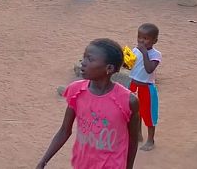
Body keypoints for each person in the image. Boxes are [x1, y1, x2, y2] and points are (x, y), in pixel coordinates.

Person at [36, 38, 140, 169]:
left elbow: (132, 140)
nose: (83, 63)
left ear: (109, 68)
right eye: (83, 57)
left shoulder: (128, 101)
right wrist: (43, 162)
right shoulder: (76, 91)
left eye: (90, 59)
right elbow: (64, 131)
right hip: (82, 164)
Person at [129, 23, 161, 152]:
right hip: (133, 85)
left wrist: (144, 53)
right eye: (139, 37)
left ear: (155, 41)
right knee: (135, 113)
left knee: (148, 114)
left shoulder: (156, 55)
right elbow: (129, 67)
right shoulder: (135, 50)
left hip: (146, 88)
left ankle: (150, 140)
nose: (141, 40)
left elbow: (149, 70)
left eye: (146, 38)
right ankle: (138, 134)